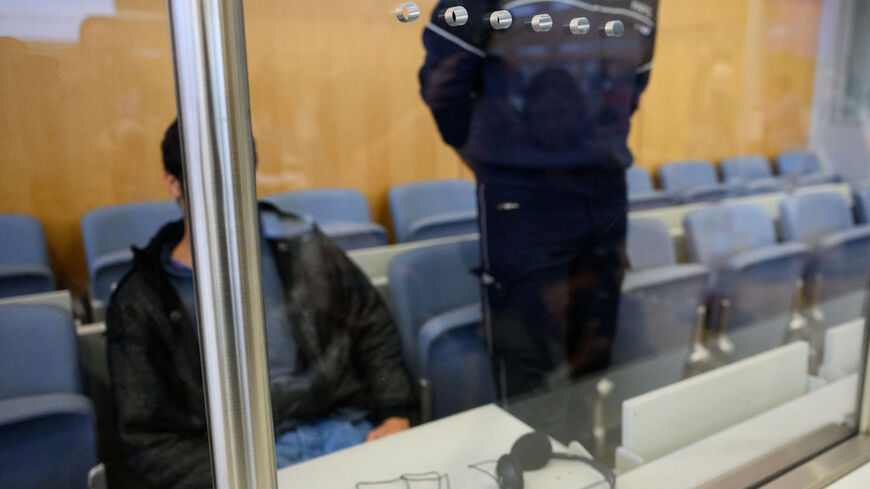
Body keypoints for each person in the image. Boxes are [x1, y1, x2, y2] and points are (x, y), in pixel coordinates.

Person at [106, 120, 417, 489]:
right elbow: (148, 438)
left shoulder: (301, 247)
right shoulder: (143, 300)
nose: (228, 193)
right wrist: (233, 480)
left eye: (239, 176)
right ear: (173, 183)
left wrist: (395, 411)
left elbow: (371, 329)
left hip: (344, 431)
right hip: (240, 465)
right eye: (208, 181)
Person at [419, 1, 659, 399]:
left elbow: (632, 87)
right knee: (527, 367)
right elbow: (444, 83)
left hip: (606, 190)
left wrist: (594, 143)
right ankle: (535, 457)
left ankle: (583, 456)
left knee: (597, 353)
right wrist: (498, 160)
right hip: (525, 195)